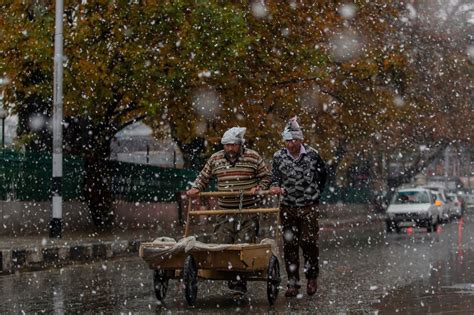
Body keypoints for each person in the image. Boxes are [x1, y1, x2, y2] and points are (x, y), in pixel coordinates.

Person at [186, 127, 271, 293]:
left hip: (248, 209)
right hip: (224, 210)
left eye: (233, 145)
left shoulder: (253, 157)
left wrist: (259, 188)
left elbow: (266, 176)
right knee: (223, 242)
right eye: (227, 145)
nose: (230, 148)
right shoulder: (215, 158)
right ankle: (228, 274)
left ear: (240, 145)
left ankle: (240, 280)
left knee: (243, 245)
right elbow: (204, 176)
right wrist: (196, 188)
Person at [269, 116, 327, 297]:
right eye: (287, 141)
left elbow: (323, 176)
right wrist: (275, 186)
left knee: (309, 243)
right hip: (287, 207)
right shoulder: (278, 157)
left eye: (293, 140)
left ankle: (311, 276)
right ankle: (293, 283)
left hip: (308, 206)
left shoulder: (313, 155)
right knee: (290, 245)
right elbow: (275, 177)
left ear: (301, 140)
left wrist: (315, 193)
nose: (290, 144)